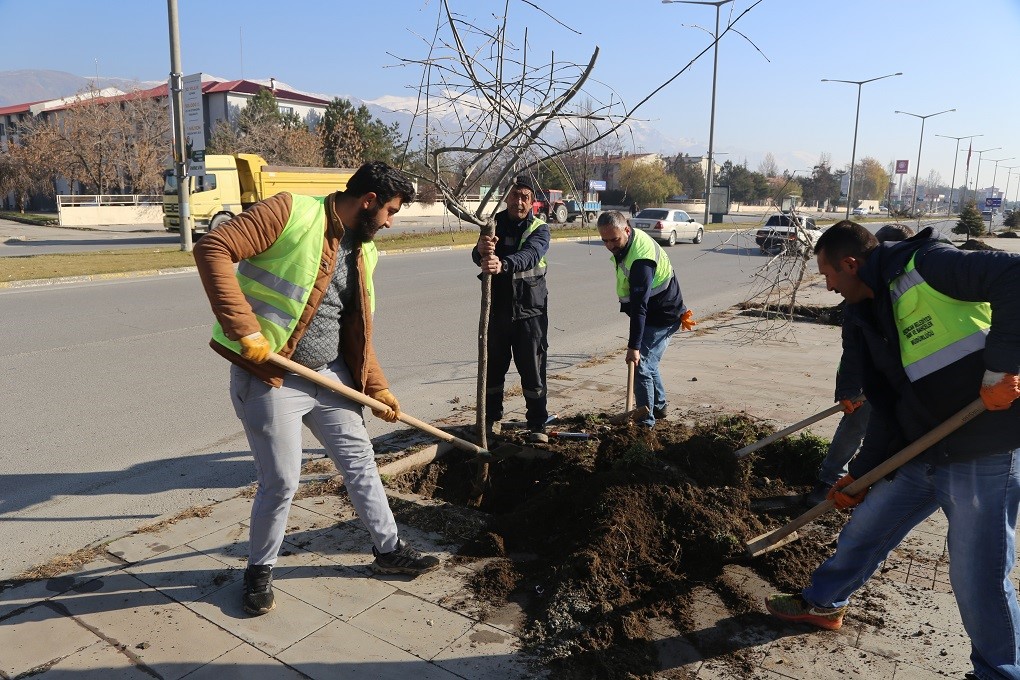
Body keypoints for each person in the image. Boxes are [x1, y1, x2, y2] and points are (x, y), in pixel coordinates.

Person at [766, 220, 1020, 680]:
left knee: (978, 576)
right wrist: (863, 474)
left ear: (851, 263)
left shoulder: (926, 264)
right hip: (922, 449)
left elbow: (1014, 276)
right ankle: (824, 604)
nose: (828, 287)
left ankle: (1000, 673)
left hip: (983, 448)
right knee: (866, 527)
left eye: (828, 276)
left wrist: (1000, 368)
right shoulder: (866, 316)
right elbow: (887, 407)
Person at [194, 161, 440, 617]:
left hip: (330, 375)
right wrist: (244, 328)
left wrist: (377, 387)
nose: (390, 222)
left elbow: (357, 329)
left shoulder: (364, 250)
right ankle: (259, 571)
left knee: (361, 462)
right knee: (282, 481)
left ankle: (388, 552)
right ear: (367, 201)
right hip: (271, 376)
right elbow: (213, 247)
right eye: (389, 211)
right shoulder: (290, 211)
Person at [804, 223, 915, 506]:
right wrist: (848, 389)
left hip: (914, 388)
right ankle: (831, 479)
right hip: (876, 379)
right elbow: (852, 349)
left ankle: (870, 483)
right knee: (858, 421)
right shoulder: (857, 298)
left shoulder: (917, 285)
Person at [596, 211, 695, 428]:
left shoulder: (641, 260)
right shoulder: (629, 243)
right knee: (650, 363)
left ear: (627, 230)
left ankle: (645, 424)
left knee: (642, 366)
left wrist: (633, 347)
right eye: (605, 241)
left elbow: (640, 307)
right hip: (655, 310)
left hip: (663, 315)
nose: (611, 245)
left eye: (615, 240)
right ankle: (658, 406)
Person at [472, 175, 551, 443]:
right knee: (494, 369)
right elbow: (478, 255)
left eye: (525, 197)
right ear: (507, 197)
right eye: (515, 195)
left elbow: (531, 255)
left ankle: (537, 424)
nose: (519, 201)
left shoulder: (539, 229)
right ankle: (491, 419)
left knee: (533, 370)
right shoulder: (494, 225)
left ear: (532, 202)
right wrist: (480, 249)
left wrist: (503, 265)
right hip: (497, 311)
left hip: (530, 313)